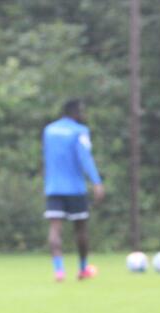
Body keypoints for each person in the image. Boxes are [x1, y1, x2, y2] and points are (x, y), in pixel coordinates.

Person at [43, 99, 105, 282]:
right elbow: (84, 158)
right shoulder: (79, 131)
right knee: (81, 230)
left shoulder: (49, 130)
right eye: (82, 111)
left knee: (55, 228)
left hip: (53, 187)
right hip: (75, 188)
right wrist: (96, 182)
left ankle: (59, 271)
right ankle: (83, 268)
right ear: (75, 113)